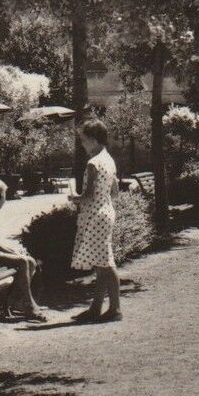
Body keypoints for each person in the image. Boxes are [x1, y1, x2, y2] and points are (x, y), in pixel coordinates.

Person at [0, 177, 46, 322]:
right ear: (0, 197)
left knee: (30, 261)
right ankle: (28, 304)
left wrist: (13, 251)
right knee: (23, 261)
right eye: (4, 196)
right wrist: (12, 253)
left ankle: (17, 300)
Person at [70, 117, 122, 323]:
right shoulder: (109, 160)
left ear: (93, 140)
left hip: (95, 215)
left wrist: (74, 197)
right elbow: (115, 192)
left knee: (106, 263)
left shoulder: (93, 163)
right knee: (101, 263)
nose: (82, 144)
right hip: (106, 211)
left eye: (83, 140)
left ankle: (115, 309)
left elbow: (88, 195)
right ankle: (96, 307)